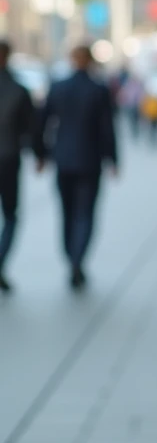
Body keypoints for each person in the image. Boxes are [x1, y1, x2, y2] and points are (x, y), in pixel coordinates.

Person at [35, 44, 118, 288]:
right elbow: (107, 128)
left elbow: (42, 122)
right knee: (85, 213)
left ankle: (71, 256)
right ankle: (77, 259)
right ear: (90, 61)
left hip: (63, 159)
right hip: (90, 160)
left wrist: (42, 154)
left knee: (67, 212)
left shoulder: (58, 87)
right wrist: (113, 159)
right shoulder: (98, 89)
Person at [0, 40, 37, 292]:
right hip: (9, 159)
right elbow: (30, 128)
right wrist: (40, 154)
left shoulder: (20, 89)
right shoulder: (18, 89)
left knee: (11, 216)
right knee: (11, 215)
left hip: (9, 158)